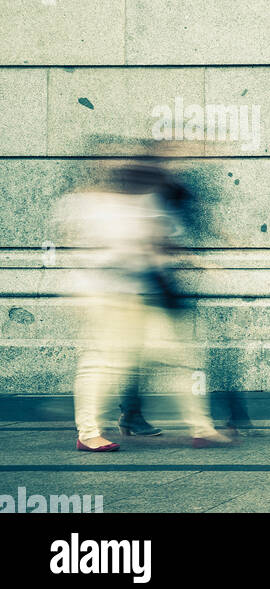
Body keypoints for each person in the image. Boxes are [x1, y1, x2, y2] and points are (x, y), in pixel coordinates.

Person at [62, 140, 231, 451]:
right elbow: (108, 252)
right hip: (110, 295)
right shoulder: (88, 205)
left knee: (180, 359)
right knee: (102, 364)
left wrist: (178, 257)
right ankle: (88, 432)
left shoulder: (141, 202)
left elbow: (159, 241)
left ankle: (201, 427)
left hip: (146, 293)